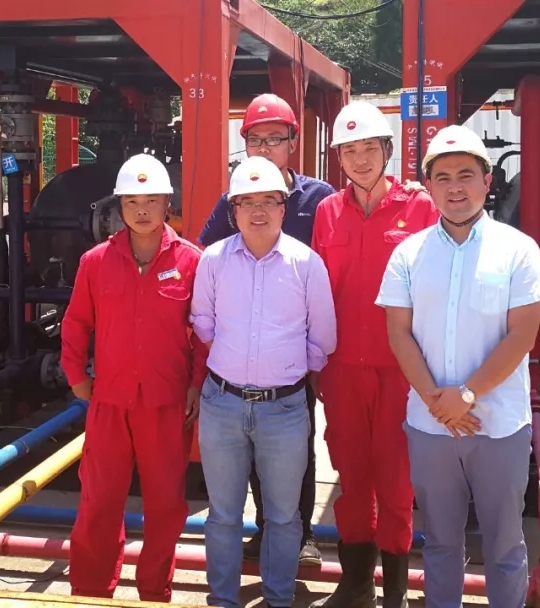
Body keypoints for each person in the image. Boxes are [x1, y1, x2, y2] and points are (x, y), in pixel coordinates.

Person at [376, 124, 540, 608]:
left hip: (498, 426)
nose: (454, 187)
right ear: (429, 186)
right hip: (430, 426)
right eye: (443, 177)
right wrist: (439, 403)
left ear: (487, 181)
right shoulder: (409, 254)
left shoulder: (518, 251)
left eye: (465, 175)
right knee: (439, 541)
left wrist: (467, 396)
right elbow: (399, 333)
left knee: (504, 544)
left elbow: (522, 335)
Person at [190, 155, 337, 608]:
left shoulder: (306, 264)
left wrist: (282, 371)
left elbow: (322, 339)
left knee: (284, 516)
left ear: (283, 207)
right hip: (223, 404)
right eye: (247, 201)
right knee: (223, 514)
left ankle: (278, 599)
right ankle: (223, 599)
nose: (258, 211)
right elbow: (203, 323)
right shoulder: (213, 261)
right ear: (233, 210)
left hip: (285, 409)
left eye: (269, 201)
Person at [309, 100, 439, 608]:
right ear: (338, 158)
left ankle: (396, 593)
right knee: (353, 476)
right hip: (342, 370)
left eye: (369, 148)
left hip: (401, 371)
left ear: (388, 150)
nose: (360, 159)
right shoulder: (328, 212)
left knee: (396, 481)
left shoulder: (420, 208)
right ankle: (356, 584)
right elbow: (317, 292)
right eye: (349, 151)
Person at [61, 153, 208, 602]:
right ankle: (90, 589)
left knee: (165, 506)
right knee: (99, 501)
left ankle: (154, 590)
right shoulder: (96, 261)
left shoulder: (192, 261)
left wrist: (196, 384)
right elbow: (75, 323)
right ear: (118, 207)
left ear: (167, 203)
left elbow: (206, 332)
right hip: (109, 402)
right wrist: (77, 378)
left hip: (166, 404)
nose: (141, 210)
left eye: (151, 201)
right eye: (131, 202)